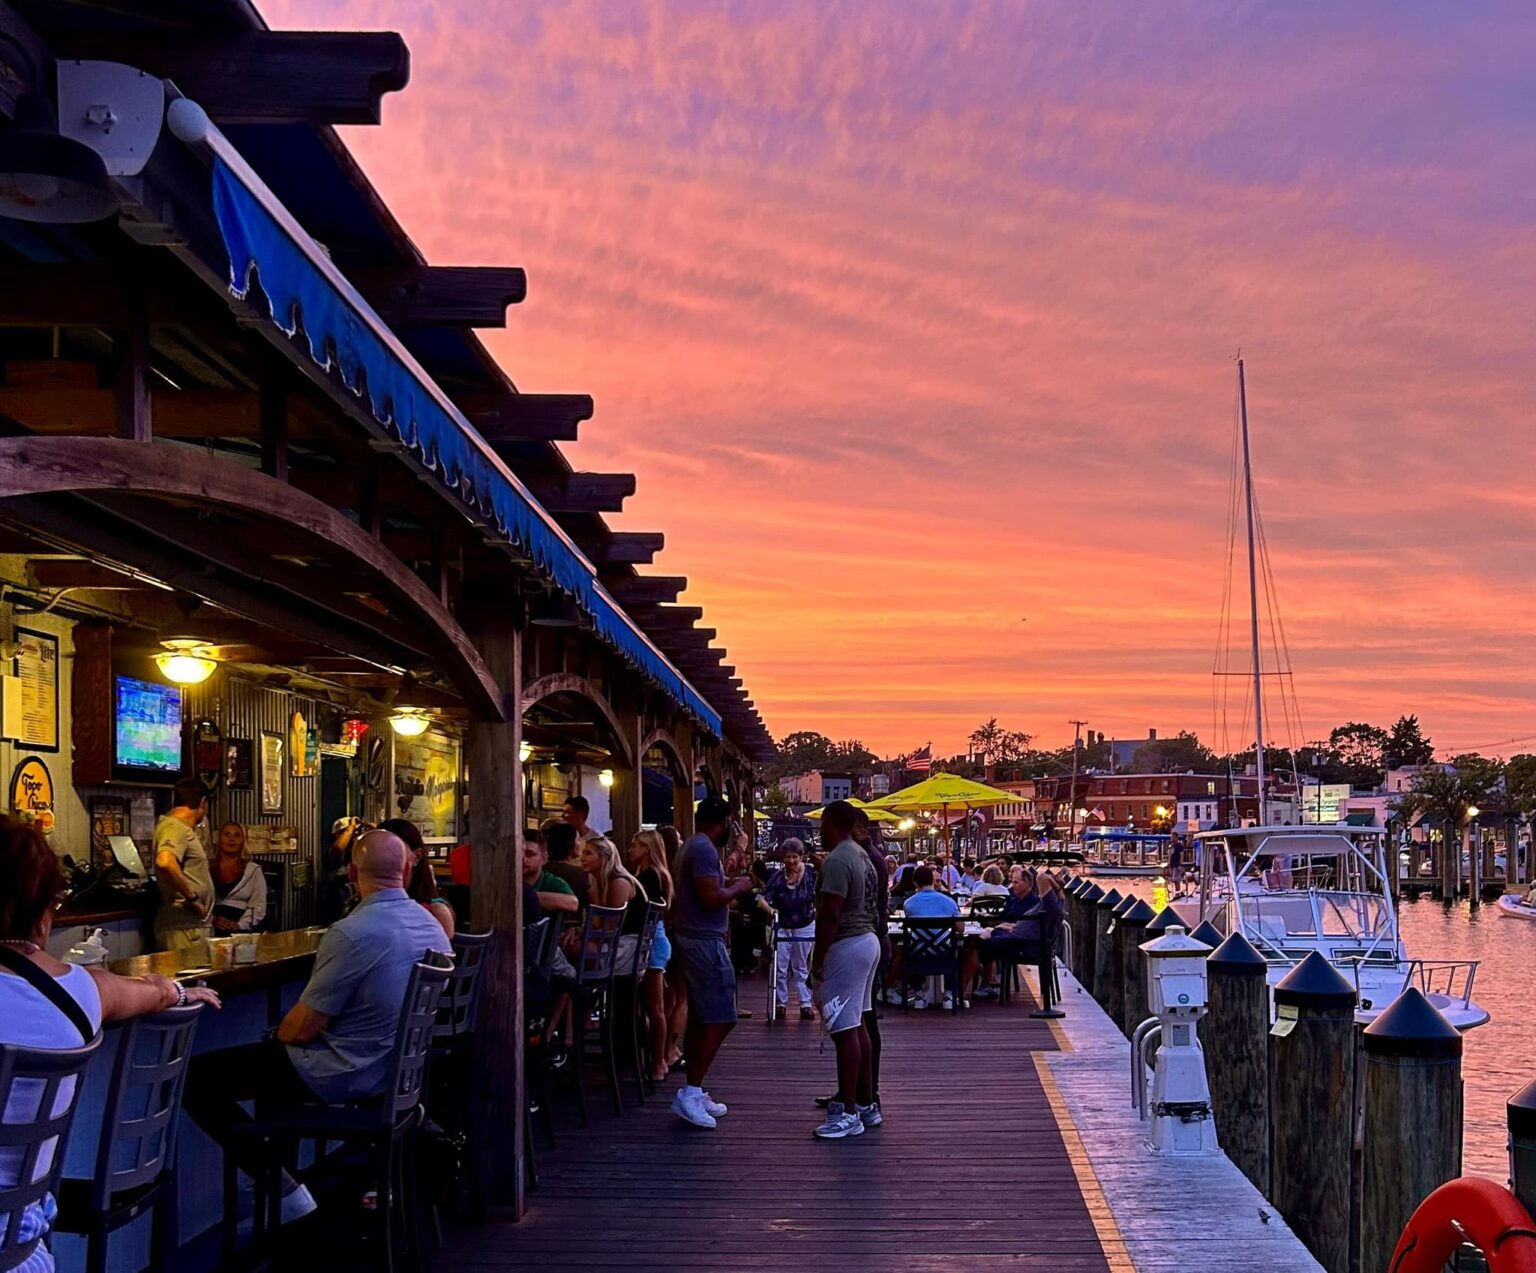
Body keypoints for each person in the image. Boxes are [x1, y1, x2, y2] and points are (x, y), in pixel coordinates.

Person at [183, 829, 447, 1226]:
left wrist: (278, 1032)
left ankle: (282, 1188)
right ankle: (278, 1182)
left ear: (353, 872)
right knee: (271, 1066)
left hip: (344, 1071)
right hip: (394, 1074)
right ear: (408, 869)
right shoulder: (433, 929)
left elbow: (300, 1031)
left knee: (198, 1079)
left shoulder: (354, 933)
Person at [0, 816, 221, 1270]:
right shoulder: (82, 991)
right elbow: (153, 990)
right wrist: (181, 992)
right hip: (23, 1254)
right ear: (44, 913)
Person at [669, 797, 753, 1129]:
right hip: (703, 940)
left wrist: (730, 878)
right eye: (728, 826)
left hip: (693, 935)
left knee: (703, 1018)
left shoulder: (691, 846)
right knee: (722, 1016)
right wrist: (741, 887)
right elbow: (710, 896)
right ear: (720, 822)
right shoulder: (703, 849)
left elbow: (710, 885)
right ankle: (690, 1092)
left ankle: (695, 1085)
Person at [809, 801, 881, 1139]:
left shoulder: (838, 859)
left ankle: (848, 1113)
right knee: (860, 1023)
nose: (819, 833)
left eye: (822, 825)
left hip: (846, 944)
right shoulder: (862, 855)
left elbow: (829, 914)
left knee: (844, 1029)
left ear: (830, 823)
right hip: (868, 940)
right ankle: (866, 1104)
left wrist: (818, 960)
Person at [628, 830, 675, 1082]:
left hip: (652, 943)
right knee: (652, 1005)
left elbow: (638, 913)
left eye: (635, 846)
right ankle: (657, 1059)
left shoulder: (648, 877)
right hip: (655, 940)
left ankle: (658, 1061)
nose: (630, 850)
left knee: (654, 1006)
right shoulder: (657, 875)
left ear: (647, 849)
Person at [883, 865, 962, 1010]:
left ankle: (919, 994)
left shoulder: (909, 904)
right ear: (933, 880)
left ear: (915, 882)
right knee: (959, 949)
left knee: (910, 947)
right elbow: (960, 929)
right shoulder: (949, 902)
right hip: (945, 953)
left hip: (918, 953)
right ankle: (949, 995)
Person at [153, 778, 214, 953]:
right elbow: (165, 861)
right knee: (189, 978)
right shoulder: (176, 827)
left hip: (189, 927)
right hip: (186, 930)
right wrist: (193, 898)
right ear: (202, 802)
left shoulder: (173, 826)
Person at [761, 839, 816, 1020]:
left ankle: (806, 1003)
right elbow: (762, 899)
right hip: (783, 925)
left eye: (794, 857)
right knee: (780, 966)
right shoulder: (777, 877)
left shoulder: (810, 875)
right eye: (787, 857)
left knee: (801, 966)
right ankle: (780, 1003)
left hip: (805, 924)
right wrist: (770, 909)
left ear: (801, 857)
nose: (791, 861)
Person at [579, 835, 646, 972]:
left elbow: (609, 930)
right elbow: (597, 925)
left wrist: (582, 934)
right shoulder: (599, 883)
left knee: (575, 947)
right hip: (616, 944)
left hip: (629, 948)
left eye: (588, 853)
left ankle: (589, 989)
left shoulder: (619, 882)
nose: (582, 858)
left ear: (603, 858)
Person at [380, 818, 455, 939]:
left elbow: (442, 956)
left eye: (396, 850)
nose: (387, 858)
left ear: (417, 856)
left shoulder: (436, 911)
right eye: (378, 852)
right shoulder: (363, 905)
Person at [655, 823, 688, 1075]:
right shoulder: (676, 872)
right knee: (680, 997)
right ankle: (670, 1049)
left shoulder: (658, 872)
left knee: (666, 998)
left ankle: (664, 1050)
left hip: (662, 934)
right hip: (677, 934)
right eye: (677, 836)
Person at [210, 822, 267, 933]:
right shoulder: (207, 867)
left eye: (237, 835)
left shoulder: (253, 870)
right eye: (227, 834)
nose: (231, 838)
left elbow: (258, 904)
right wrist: (213, 919)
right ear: (219, 840)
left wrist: (241, 925)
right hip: (210, 927)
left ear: (243, 842)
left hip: (241, 929)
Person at [318, 815, 366, 924]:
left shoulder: (357, 853)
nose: (353, 834)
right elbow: (339, 848)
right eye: (346, 832)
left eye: (356, 832)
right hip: (336, 912)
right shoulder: (332, 854)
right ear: (337, 835)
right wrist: (351, 827)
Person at [542, 820, 591, 910]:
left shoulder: (540, 870)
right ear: (570, 843)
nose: (581, 843)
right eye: (578, 839)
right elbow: (594, 910)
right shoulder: (580, 873)